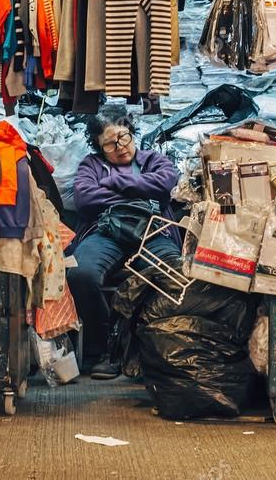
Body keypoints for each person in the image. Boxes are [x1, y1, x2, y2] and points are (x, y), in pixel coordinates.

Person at [66, 108, 180, 379]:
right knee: (81, 273)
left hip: (152, 232)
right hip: (107, 232)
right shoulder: (90, 166)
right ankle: (105, 348)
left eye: (123, 137)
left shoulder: (154, 159)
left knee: (175, 271)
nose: (119, 147)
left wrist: (116, 182)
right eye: (109, 143)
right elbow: (85, 198)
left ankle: (152, 349)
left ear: (131, 132)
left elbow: (166, 183)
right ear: (99, 146)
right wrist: (139, 191)